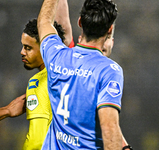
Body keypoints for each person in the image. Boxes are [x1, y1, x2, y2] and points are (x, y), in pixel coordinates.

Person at [37, 0, 126, 149]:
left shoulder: (56, 56)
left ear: (80, 22)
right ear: (109, 30)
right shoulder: (109, 70)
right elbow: (109, 129)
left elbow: (44, 22)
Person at [21, 0, 74, 149]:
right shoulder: (72, 69)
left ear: (44, 47)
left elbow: (36, 141)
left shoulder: (37, 82)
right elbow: (64, 29)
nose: (22, 52)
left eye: (28, 48)